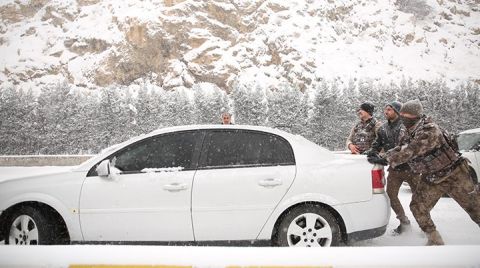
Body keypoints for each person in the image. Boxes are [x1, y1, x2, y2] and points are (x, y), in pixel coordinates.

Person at [385, 99, 480, 245]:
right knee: (418, 207)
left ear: (415, 116)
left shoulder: (430, 130)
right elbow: (402, 147)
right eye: (401, 115)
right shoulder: (409, 130)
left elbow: (411, 151)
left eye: (405, 115)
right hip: (432, 177)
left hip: (454, 174)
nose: (402, 118)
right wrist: (384, 155)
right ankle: (434, 238)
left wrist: (389, 159)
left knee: (475, 209)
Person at [366, 101, 419, 235]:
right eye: (385, 110)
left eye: (389, 110)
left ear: (396, 111)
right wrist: (371, 152)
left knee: (419, 198)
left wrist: (384, 158)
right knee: (391, 195)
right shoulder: (383, 128)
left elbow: (404, 149)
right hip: (395, 169)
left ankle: (425, 224)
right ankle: (404, 222)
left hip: (412, 168)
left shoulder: (405, 127)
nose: (386, 112)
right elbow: (377, 144)